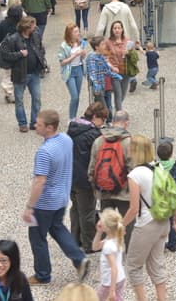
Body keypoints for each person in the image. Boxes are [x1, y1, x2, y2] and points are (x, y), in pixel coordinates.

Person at [22, 109, 91, 285]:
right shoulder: (66, 140)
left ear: (49, 127)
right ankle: (79, 258)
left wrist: (30, 207)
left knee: (37, 237)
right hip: (61, 198)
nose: (35, 126)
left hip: (44, 203)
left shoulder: (44, 152)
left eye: (38, 124)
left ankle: (42, 275)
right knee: (57, 228)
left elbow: (39, 181)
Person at [122, 134, 174, 301]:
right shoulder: (159, 167)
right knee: (156, 264)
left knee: (133, 266)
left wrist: (121, 225)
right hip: (163, 222)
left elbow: (134, 208)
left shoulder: (135, 174)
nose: (128, 149)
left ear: (136, 150)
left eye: (130, 147)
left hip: (146, 225)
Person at [89, 110, 134, 244]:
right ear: (127, 123)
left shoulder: (98, 141)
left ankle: (106, 249)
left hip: (104, 190)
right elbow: (133, 170)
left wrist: (96, 188)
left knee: (106, 223)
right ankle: (126, 251)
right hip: (124, 192)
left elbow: (91, 168)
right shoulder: (129, 142)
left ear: (112, 122)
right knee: (127, 224)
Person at [69, 102, 108, 252]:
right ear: (95, 116)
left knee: (75, 208)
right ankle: (90, 244)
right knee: (87, 212)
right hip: (84, 180)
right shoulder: (93, 134)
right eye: (102, 119)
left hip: (70, 177)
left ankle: (74, 239)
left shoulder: (73, 127)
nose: (102, 123)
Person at [0, 16, 47, 133]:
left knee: (37, 98)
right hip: (20, 74)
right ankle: (22, 123)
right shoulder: (13, 39)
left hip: (34, 73)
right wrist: (19, 54)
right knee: (19, 100)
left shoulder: (35, 36)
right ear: (27, 27)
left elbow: (41, 48)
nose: (35, 27)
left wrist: (41, 58)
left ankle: (34, 122)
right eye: (33, 25)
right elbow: (4, 54)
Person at [92, 208, 126, 301]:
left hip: (109, 282)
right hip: (121, 278)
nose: (99, 222)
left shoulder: (108, 246)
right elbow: (95, 247)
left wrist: (111, 290)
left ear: (107, 227)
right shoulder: (116, 237)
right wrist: (99, 232)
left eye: (102, 221)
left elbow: (113, 268)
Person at [157, 142, 176, 253]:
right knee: (171, 220)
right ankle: (172, 243)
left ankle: (158, 243)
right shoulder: (174, 166)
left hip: (160, 198)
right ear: (171, 153)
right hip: (172, 198)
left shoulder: (156, 166)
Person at [0, 5, 24, 105]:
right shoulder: (21, 25)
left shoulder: (3, 24)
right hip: (19, 52)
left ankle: (8, 93)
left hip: (6, 52)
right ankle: (15, 92)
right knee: (18, 73)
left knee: (7, 74)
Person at [58, 24, 89, 121]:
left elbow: (83, 57)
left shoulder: (81, 43)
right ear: (69, 33)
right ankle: (71, 118)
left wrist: (83, 54)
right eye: (75, 32)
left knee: (77, 96)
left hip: (79, 69)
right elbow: (62, 62)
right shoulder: (64, 45)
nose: (78, 33)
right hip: (69, 71)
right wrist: (74, 55)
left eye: (78, 31)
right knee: (74, 96)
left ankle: (74, 117)